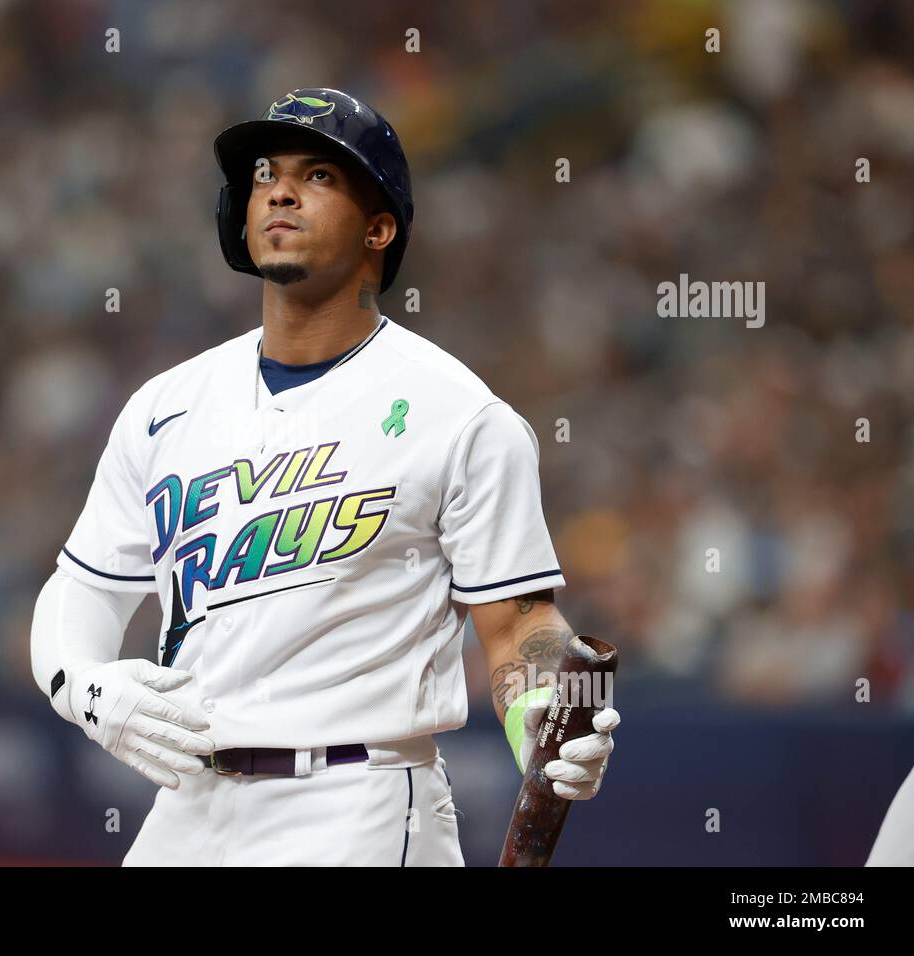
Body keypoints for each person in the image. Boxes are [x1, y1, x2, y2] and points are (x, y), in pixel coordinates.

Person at [31, 88, 619, 866]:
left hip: (359, 802)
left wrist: (551, 711)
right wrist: (85, 688)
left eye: (319, 176)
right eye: (266, 173)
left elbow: (519, 626)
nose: (277, 187)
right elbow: (83, 591)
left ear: (380, 227)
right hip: (189, 803)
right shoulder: (164, 406)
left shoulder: (461, 415)